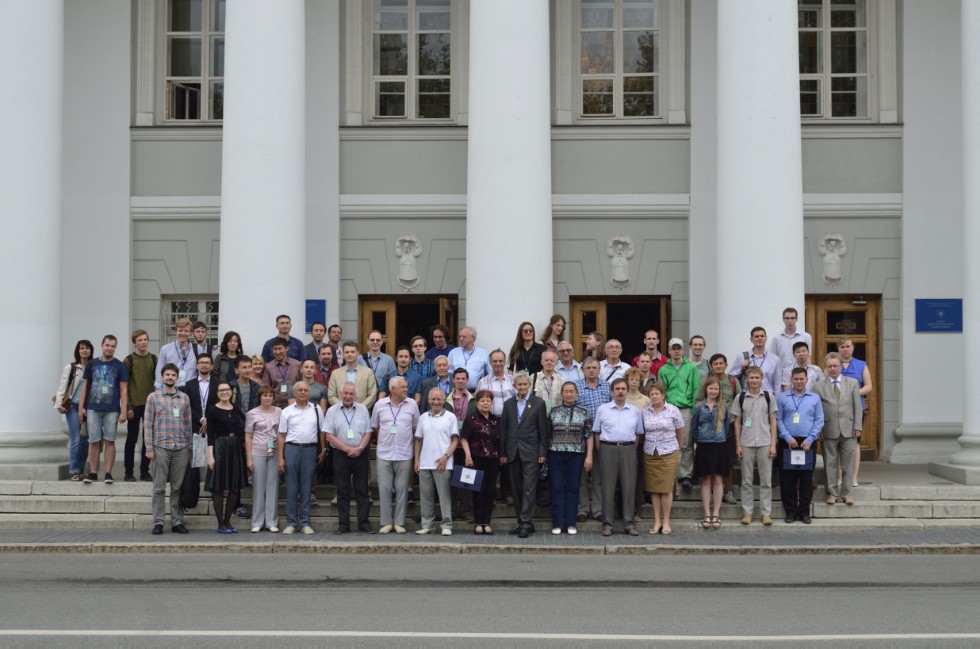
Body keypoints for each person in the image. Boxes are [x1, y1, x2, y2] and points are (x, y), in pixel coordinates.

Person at [143, 363, 193, 535]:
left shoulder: (184, 399)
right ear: (162, 377)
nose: (170, 377)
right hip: (160, 447)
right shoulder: (153, 398)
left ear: (177, 378)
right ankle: (158, 522)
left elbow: (188, 424)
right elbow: (147, 425)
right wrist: (149, 448)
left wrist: (190, 448)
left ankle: (177, 521)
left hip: (180, 448)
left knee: (177, 488)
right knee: (159, 488)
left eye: (173, 375)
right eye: (167, 375)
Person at [499, 372, 550, 538]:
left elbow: (543, 429)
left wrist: (542, 452)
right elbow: (504, 430)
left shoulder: (538, 403)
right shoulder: (508, 404)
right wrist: (503, 452)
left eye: (524, 385)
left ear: (529, 386)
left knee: (529, 488)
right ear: (514, 386)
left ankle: (525, 523)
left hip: (531, 452)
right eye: (519, 385)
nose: (522, 387)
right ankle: (522, 521)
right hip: (512, 452)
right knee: (516, 489)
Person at [593, 378, 643, 537]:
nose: (620, 392)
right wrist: (601, 450)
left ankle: (629, 523)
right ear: (612, 391)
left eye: (623, 389)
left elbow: (638, 434)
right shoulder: (603, 409)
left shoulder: (635, 411)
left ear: (627, 391)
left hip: (628, 449)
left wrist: (630, 450)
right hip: (608, 449)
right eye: (617, 389)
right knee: (607, 487)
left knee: (629, 487)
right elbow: (597, 432)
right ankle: (608, 524)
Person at [371, 376, 420, 534]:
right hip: (384, 453)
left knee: (402, 489)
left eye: (406, 387)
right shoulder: (380, 405)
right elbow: (375, 426)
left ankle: (399, 522)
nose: (406, 389)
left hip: (405, 453)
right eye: (403, 387)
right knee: (384, 489)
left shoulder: (412, 404)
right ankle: (386, 522)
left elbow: (415, 427)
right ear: (393, 389)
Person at [814, 352, 863, 507]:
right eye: (830, 366)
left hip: (849, 430)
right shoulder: (818, 386)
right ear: (826, 368)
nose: (833, 369)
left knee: (847, 464)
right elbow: (816, 409)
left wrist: (857, 426)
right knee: (830, 464)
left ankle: (847, 494)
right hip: (828, 429)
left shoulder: (853, 383)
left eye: (835, 366)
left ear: (841, 366)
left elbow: (858, 406)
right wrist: (818, 429)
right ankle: (832, 494)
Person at [776, 367, 824, 524]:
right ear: (791, 380)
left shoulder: (814, 398)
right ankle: (790, 511)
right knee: (787, 479)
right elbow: (778, 419)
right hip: (787, 442)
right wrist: (788, 438)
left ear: (806, 380)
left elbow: (819, 420)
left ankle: (804, 512)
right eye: (796, 379)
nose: (798, 382)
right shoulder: (782, 397)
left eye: (801, 379)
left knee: (806, 479)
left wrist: (810, 439)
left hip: (807, 443)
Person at [79, 335, 129, 485]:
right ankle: (93, 472)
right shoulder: (92, 364)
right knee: (93, 441)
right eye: (107, 345)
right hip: (93, 408)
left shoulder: (120, 366)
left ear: (115, 348)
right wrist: (81, 407)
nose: (110, 348)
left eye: (113, 346)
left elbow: (124, 390)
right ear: (102, 345)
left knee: (110, 441)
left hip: (112, 409)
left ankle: (108, 473)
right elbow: (85, 387)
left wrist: (124, 410)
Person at [324, 383, 373, 534]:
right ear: (340, 393)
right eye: (345, 393)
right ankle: (343, 525)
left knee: (362, 490)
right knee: (342, 490)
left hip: (360, 454)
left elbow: (368, 432)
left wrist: (359, 449)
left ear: (355, 395)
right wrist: (346, 449)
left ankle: (363, 523)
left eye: (351, 394)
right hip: (340, 454)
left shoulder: (363, 409)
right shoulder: (332, 411)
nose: (348, 396)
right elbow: (329, 435)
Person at [732, 366, 777, 526]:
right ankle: (747, 512)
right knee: (746, 481)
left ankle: (766, 513)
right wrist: (738, 444)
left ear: (761, 379)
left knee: (766, 481)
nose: (754, 381)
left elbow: (773, 421)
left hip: (765, 442)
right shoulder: (740, 397)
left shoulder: (768, 397)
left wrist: (773, 444)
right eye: (751, 378)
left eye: (757, 378)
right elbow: (737, 422)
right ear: (746, 379)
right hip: (747, 442)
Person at [278, 381, 324, 535]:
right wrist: (280, 458)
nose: (303, 392)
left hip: (310, 450)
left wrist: (323, 450)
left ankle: (305, 522)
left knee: (306, 488)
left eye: (306, 390)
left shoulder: (317, 410)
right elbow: (282, 436)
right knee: (292, 488)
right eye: (300, 390)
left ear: (309, 393)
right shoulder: (287, 411)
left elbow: (322, 432)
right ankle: (291, 522)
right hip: (291, 449)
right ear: (294, 393)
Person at [547, 382, 593, 535]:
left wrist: (589, 456)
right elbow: (548, 434)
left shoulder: (584, 412)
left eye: (571, 391)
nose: (569, 394)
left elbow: (589, 435)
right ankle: (558, 523)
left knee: (573, 488)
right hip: (556, 453)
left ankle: (571, 523)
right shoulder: (553, 411)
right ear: (562, 394)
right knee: (557, 488)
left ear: (576, 393)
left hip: (577, 454)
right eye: (566, 391)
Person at [697, 353, 742, 506]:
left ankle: (728, 490)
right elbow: (698, 401)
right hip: (709, 429)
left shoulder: (733, 381)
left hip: (728, 427)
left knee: (729, 460)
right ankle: (710, 491)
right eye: (715, 363)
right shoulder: (705, 381)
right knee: (709, 462)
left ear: (726, 365)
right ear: (711, 366)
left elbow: (739, 401)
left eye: (721, 363)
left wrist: (737, 419)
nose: (718, 366)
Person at [640, 383, 685, 535]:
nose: (654, 396)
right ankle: (657, 521)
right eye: (651, 394)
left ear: (663, 395)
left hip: (669, 452)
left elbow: (680, 431)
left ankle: (666, 521)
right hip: (650, 453)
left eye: (656, 394)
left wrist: (678, 448)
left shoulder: (673, 410)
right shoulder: (645, 412)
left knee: (666, 489)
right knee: (654, 489)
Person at [414, 388, 459, 536]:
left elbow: (455, 440)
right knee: (426, 496)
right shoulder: (423, 418)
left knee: (444, 495)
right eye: (433, 399)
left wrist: (446, 457)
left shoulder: (451, 417)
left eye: (439, 399)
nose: (436, 402)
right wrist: (417, 460)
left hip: (443, 463)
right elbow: (418, 441)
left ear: (444, 400)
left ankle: (446, 524)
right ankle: (427, 524)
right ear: (428, 400)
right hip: (425, 462)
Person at [205, 382, 247, 533]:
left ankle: (228, 521)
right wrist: (210, 456)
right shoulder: (212, 410)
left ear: (231, 392)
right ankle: (220, 523)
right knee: (218, 488)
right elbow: (210, 435)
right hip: (220, 447)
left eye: (227, 390)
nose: (224, 392)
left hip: (235, 447)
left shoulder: (236, 409)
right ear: (217, 393)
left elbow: (243, 428)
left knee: (234, 488)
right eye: (221, 390)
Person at [658, 338, 700, 490]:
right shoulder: (663, 370)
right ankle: (672, 473)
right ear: (668, 350)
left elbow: (696, 390)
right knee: (670, 441)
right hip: (669, 408)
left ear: (683, 350)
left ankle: (685, 475)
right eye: (673, 348)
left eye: (679, 348)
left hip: (685, 409)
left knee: (687, 443)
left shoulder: (691, 368)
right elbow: (661, 391)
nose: (676, 351)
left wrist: (694, 410)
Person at [574, 357, 611, 522]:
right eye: (588, 367)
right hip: (580, 437)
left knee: (598, 476)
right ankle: (582, 509)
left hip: (602, 437)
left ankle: (597, 509)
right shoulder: (576, 387)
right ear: (583, 370)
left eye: (594, 367)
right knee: (580, 476)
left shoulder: (607, 387)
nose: (591, 370)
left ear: (599, 369)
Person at [690, 377, 730, 530]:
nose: (713, 391)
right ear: (706, 389)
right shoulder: (699, 407)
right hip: (704, 446)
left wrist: (719, 437)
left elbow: (726, 428)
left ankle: (716, 514)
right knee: (705, 480)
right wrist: (700, 439)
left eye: (716, 389)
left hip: (719, 445)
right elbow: (694, 427)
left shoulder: (723, 407)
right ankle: (707, 513)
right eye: (710, 388)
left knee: (718, 480)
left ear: (719, 391)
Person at [460, 390, 501, 535]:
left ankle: (487, 522)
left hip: (493, 460)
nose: (485, 403)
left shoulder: (495, 420)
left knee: (490, 492)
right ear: (477, 403)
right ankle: (478, 523)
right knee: (477, 491)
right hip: (476, 459)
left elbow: (498, 440)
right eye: (482, 401)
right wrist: (468, 455)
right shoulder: (470, 419)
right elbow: (464, 438)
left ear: (491, 403)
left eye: (488, 400)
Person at [54, 339, 93, 481]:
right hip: (74, 407)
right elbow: (62, 386)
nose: (85, 350)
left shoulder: (93, 366)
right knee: (76, 438)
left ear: (91, 350)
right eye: (82, 348)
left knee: (85, 440)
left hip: (89, 408)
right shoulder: (71, 368)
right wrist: (59, 404)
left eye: (87, 348)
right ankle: (74, 470)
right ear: (78, 350)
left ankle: (80, 469)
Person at [244, 386, 281, 533]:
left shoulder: (279, 412)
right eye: (265, 395)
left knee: (273, 486)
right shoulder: (252, 413)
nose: (267, 398)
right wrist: (249, 458)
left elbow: (282, 433)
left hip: (275, 451)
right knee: (258, 487)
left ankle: (271, 521)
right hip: (257, 451)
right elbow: (247, 436)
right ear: (260, 397)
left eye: (270, 395)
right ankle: (257, 521)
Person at [122, 329, 157, 482]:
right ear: (135, 342)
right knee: (131, 439)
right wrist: (128, 407)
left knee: (147, 440)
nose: (143, 342)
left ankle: (145, 471)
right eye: (140, 340)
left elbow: (158, 383)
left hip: (150, 405)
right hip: (134, 405)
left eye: (145, 339)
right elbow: (124, 385)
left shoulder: (154, 359)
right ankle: (128, 472)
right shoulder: (129, 360)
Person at [837, 337, 873, 487]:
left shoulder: (861, 365)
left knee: (854, 443)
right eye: (842, 347)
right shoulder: (833, 364)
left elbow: (868, 386)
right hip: (837, 409)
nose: (845, 349)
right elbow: (826, 384)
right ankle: (839, 478)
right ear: (838, 348)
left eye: (848, 346)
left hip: (856, 409)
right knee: (838, 442)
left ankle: (853, 477)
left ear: (853, 348)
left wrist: (854, 392)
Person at [729, 327, 782, 396]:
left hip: (767, 397)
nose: (759, 338)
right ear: (751, 339)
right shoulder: (742, 356)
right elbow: (731, 377)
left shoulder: (775, 359)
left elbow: (777, 383)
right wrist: (741, 369)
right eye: (756, 336)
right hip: (747, 397)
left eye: (762, 336)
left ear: (766, 338)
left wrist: (776, 401)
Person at [327, 340, 378, 408]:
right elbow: (331, 395)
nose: (349, 354)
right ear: (343, 355)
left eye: (352, 352)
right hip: (340, 413)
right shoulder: (335, 373)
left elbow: (373, 394)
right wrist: (343, 407)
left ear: (358, 354)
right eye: (347, 352)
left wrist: (359, 408)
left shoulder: (368, 372)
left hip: (361, 414)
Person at [181, 353, 219, 442]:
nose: (204, 365)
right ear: (197, 366)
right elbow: (187, 406)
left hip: (213, 426)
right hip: (194, 425)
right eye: (201, 362)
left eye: (207, 363)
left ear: (212, 366)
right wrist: (201, 419)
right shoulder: (189, 385)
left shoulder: (218, 384)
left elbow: (219, 404)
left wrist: (208, 420)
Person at [154, 317, 196, 389]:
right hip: (171, 389)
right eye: (180, 330)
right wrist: (158, 390)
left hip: (191, 390)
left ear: (191, 333)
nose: (183, 333)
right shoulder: (165, 349)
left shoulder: (197, 349)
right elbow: (159, 372)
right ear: (175, 331)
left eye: (186, 331)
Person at [447, 326, 491, 391]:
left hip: (476, 393)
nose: (461, 339)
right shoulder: (453, 353)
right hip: (457, 393)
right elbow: (449, 373)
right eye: (459, 337)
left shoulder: (483, 353)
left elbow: (490, 374)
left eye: (464, 337)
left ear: (473, 338)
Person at [262, 339, 302, 408]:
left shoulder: (297, 365)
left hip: (295, 404)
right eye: (275, 349)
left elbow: (302, 384)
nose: (277, 352)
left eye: (280, 349)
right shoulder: (268, 367)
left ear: (287, 348)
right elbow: (265, 387)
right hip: (275, 405)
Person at [476, 350, 515, 417]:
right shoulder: (483, 382)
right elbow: (478, 403)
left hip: (510, 421)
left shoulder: (513, 380)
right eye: (494, 361)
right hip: (491, 422)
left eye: (500, 361)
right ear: (490, 362)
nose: (498, 363)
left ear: (505, 362)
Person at [358, 330, 396, 396]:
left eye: (378, 340)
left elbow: (394, 380)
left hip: (382, 396)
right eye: (372, 340)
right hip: (364, 396)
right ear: (367, 342)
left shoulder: (389, 360)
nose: (375, 342)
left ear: (381, 342)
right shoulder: (359, 359)